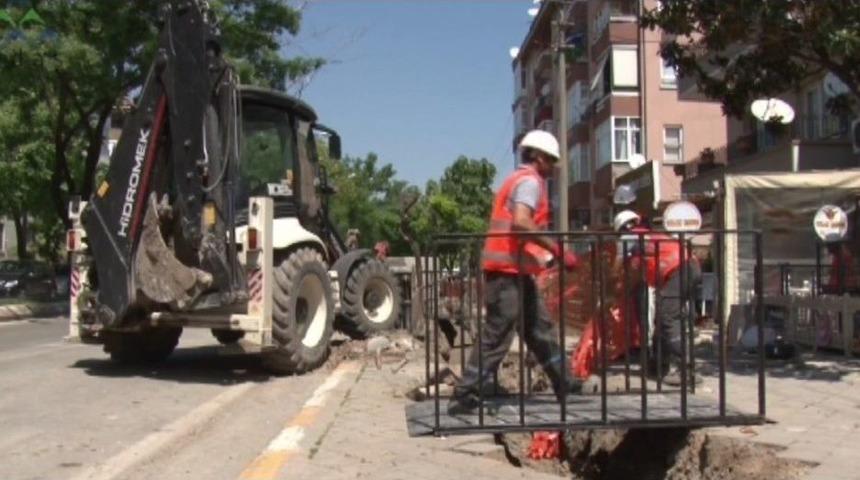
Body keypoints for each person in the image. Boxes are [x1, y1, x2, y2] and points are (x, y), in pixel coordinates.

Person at [448, 130, 580, 415]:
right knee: (499, 333)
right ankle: (465, 392)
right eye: (551, 160)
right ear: (539, 157)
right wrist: (558, 250)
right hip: (505, 273)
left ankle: (565, 382)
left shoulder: (517, 180)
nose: (553, 167)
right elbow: (521, 222)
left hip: (515, 273)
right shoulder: (529, 182)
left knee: (540, 329)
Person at [613, 210, 702, 386]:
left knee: (667, 318)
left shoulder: (629, 237)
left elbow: (617, 268)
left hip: (679, 270)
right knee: (661, 318)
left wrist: (611, 284)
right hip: (687, 269)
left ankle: (687, 370)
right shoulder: (648, 238)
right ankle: (658, 365)